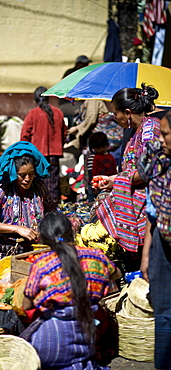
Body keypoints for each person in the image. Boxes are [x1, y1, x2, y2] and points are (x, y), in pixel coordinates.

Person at [22, 211, 121, 370]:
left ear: (44, 238)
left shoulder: (42, 264)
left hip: (48, 347)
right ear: (72, 232)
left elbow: (26, 305)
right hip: (87, 337)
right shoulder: (96, 255)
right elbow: (117, 273)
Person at [91, 83, 160, 271]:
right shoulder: (135, 131)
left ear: (128, 112)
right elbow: (132, 168)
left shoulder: (150, 131)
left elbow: (147, 171)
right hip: (134, 198)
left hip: (147, 204)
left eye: (116, 112)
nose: (115, 117)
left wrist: (117, 181)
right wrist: (113, 179)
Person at [0, 141, 56, 263]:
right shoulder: (1, 189)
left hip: (37, 251)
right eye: (22, 175)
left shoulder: (39, 186)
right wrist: (17, 229)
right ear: (13, 173)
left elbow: (51, 211)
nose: (27, 179)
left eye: (31, 174)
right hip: (7, 254)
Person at [138, 110, 171, 370]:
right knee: (163, 313)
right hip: (162, 242)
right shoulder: (161, 166)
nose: (161, 139)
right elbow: (152, 211)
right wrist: (146, 255)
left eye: (166, 134)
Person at [20, 86, 67, 203]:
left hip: (37, 154)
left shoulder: (32, 114)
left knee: (39, 180)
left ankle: (39, 204)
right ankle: (54, 205)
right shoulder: (58, 113)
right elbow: (64, 133)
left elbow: (24, 136)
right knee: (54, 181)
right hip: (55, 154)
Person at [86, 132, 117, 202]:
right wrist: (94, 184)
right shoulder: (93, 157)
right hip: (97, 184)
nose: (101, 149)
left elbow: (114, 170)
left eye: (103, 146)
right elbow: (92, 172)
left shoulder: (111, 157)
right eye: (98, 147)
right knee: (94, 200)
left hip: (108, 183)